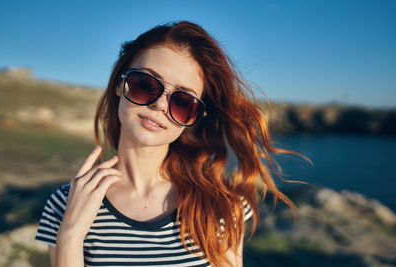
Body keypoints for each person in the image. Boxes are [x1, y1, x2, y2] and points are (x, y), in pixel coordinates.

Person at [35, 20, 307, 267]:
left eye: (182, 101)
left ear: (194, 116)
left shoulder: (221, 204)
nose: (159, 104)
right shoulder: (65, 204)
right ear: (120, 84)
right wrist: (70, 235)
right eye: (145, 83)